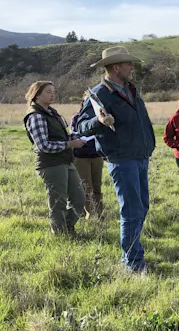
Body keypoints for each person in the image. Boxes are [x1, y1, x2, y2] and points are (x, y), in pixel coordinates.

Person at [76, 46, 155, 273]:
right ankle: (132, 263)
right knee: (131, 210)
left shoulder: (130, 89)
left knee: (142, 207)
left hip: (140, 155)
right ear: (117, 67)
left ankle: (131, 253)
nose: (132, 67)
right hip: (121, 158)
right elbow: (80, 127)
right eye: (129, 64)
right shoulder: (99, 94)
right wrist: (98, 122)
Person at [23, 81, 86, 235]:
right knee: (58, 202)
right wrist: (70, 144)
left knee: (79, 199)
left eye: (54, 91)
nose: (53, 94)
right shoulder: (36, 116)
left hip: (65, 160)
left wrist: (77, 137)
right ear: (36, 95)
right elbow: (43, 145)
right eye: (48, 92)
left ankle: (67, 227)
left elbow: (61, 135)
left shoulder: (53, 113)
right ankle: (60, 234)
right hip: (51, 164)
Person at [71, 94, 105, 217]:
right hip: (81, 156)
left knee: (97, 186)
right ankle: (90, 214)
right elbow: (74, 134)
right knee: (86, 187)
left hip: (97, 155)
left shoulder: (100, 118)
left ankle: (99, 213)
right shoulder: (77, 118)